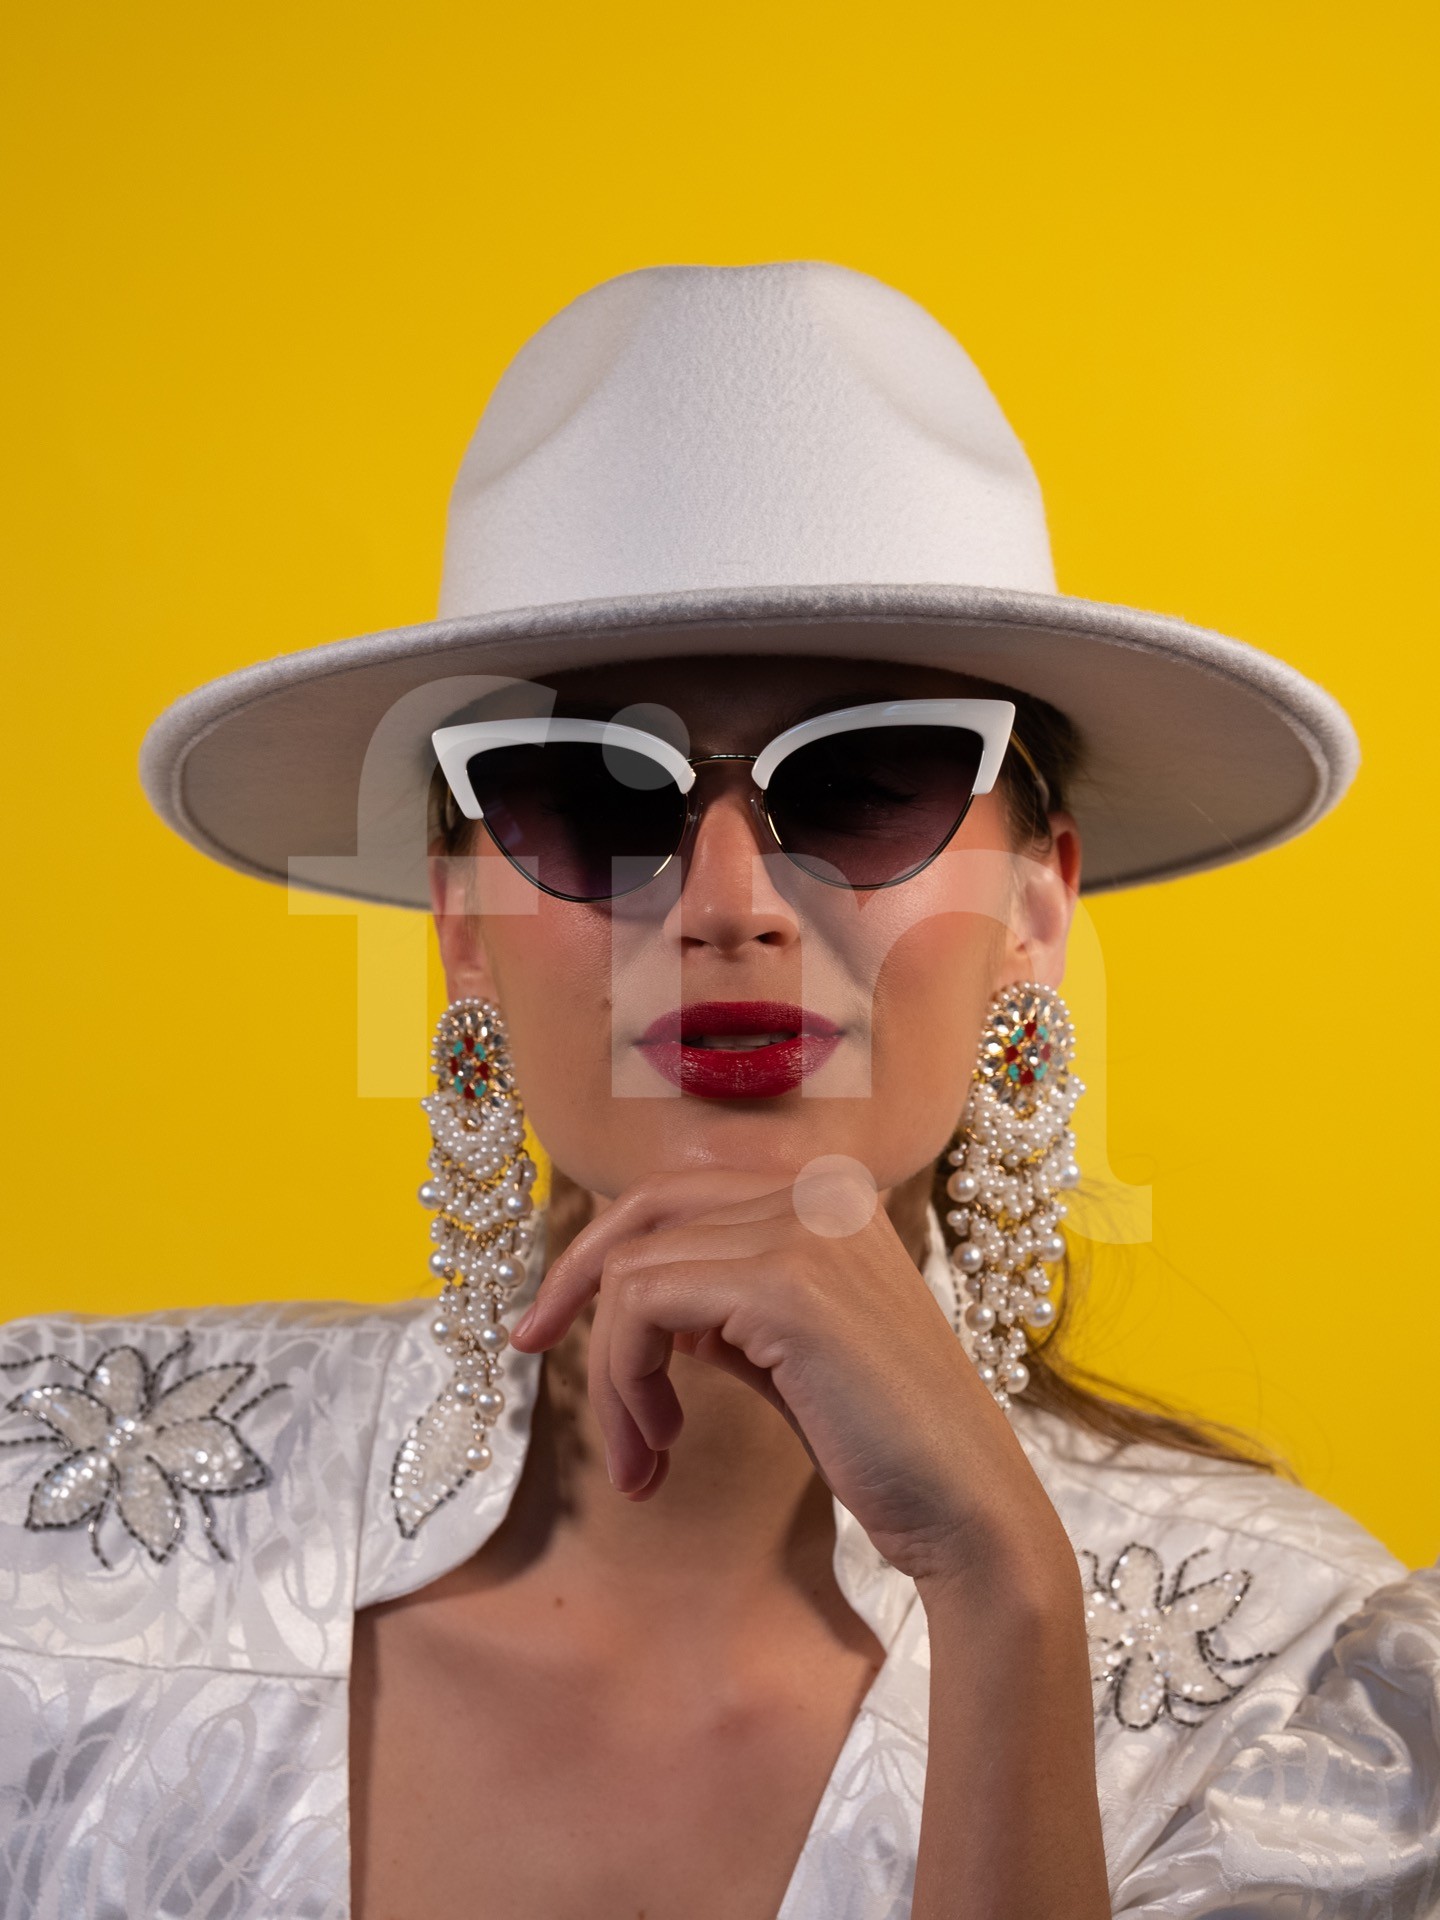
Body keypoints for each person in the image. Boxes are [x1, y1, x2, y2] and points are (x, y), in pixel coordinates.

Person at [1, 261, 1435, 1920]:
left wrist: (1009, 1602)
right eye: (588, 798)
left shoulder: (1293, 1699)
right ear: (461, 915)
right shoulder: (54, 1540)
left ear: (1038, 901)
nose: (731, 900)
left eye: (872, 781)